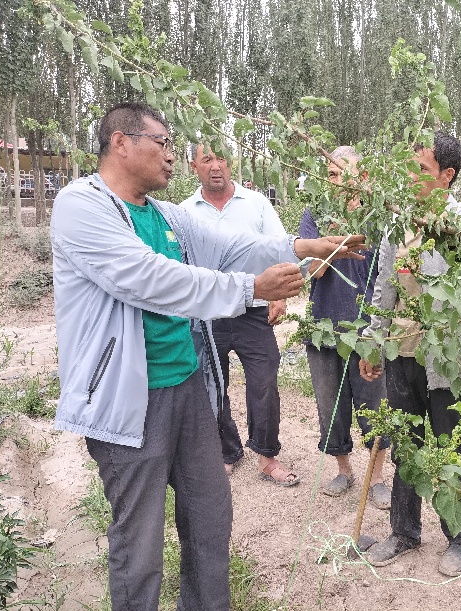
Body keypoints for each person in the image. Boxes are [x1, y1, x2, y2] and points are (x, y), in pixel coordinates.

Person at [50, 102, 365, 610]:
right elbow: (147, 278)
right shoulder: (81, 206)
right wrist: (249, 289)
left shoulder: (167, 215)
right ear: (121, 143)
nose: (173, 156)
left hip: (188, 388)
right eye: (163, 142)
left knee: (209, 517)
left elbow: (233, 245)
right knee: (140, 540)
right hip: (129, 401)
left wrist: (302, 246)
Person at [359, 131, 461, 577]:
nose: (411, 177)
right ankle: (405, 532)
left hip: (447, 361)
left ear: (447, 176)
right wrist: (373, 339)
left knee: (451, 446)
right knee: (406, 443)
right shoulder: (397, 224)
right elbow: (385, 287)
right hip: (402, 353)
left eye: (421, 169)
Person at [181, 144, 296, 485]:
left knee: (264, 380)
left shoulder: (257, 204)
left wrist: (279, 298)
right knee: (211, 383)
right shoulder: (183, 211)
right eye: (207, 160)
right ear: (194, 166)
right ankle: (226, 451)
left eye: (221, 159)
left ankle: (267, 455)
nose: (215, 166)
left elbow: (279, 246)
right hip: (207, 313)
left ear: (231, 164)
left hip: (253, 310)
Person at [298, 146, 391, 508]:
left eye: (340, 174)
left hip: (367, 332)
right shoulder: (316, 216)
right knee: (330, 407)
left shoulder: (378, 217)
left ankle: (378, 476)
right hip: (323, 327)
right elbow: (312, 270)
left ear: (363, 176)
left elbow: (387, 276)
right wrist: (331, 241)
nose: (333, 181)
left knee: (374, 404)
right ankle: (344, 469)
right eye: (329, 174)